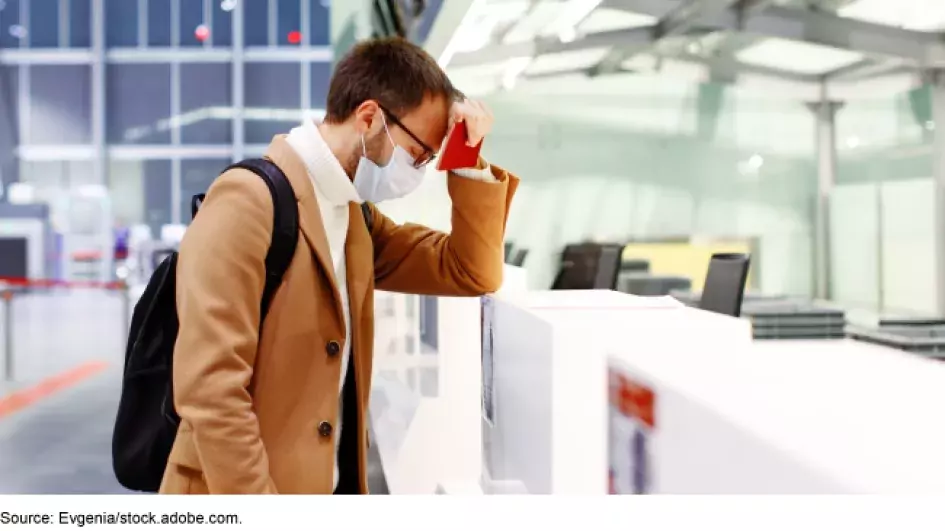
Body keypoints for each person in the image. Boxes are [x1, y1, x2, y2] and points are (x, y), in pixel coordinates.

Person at [158, 37, 519, 495]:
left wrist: (467, 159)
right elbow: (211, 392)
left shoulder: (353, 219)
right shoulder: (248, 201)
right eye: (420, 154)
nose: (422, 169)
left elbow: (470, 271)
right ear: (369, 117)